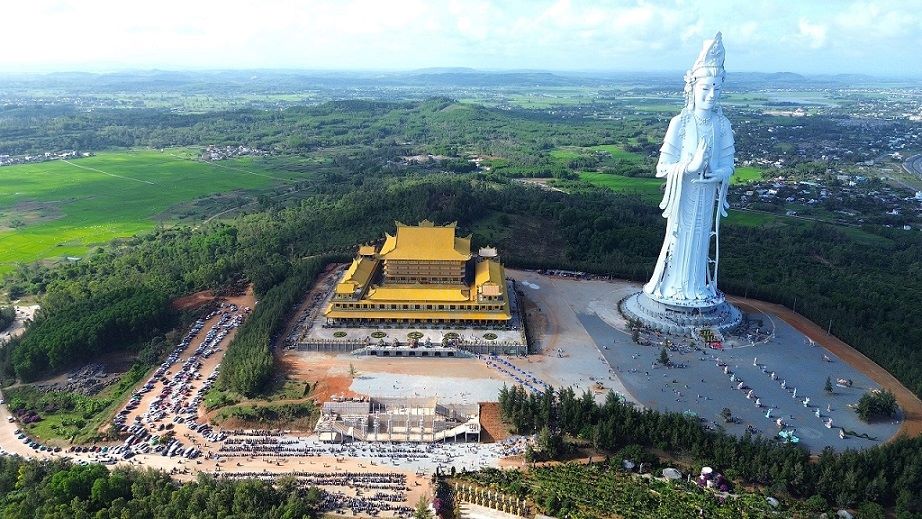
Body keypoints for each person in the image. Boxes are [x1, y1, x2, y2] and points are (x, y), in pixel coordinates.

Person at [644, 33, 734, 304]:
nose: (710, 95)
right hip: (685, 195)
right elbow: (663, 166)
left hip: (706, 196)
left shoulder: (723, 125)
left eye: (716, 89)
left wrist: (719, 174)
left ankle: (698, 287)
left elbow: (729, 164)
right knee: (680, 241)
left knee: (700, 244)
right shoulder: (680, 124)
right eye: (705, 88)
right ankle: (673, 285)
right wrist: (689, 166)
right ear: (693, 88)